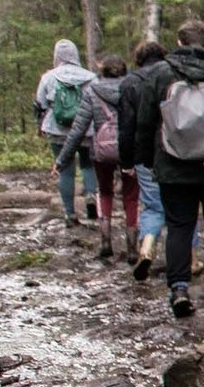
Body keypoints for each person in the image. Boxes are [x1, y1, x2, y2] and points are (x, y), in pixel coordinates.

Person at [126, 19, 204, 319]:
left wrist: (148, 160)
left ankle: (178, 287)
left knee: (179, 226)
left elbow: (145, 122)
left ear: (178, 42)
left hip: (172, 163)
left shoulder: (162, 74)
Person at [54, 52, 138, 261]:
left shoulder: (93, 91)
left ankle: (106, 241)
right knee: (131, 196)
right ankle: (132, 247)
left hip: (101, 150)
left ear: (102, 71)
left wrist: (61, 161)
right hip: (130, 149)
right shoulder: (134, 89)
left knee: (105, 192)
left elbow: (78, 130)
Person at [34, 40, 97, 225]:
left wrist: (39, 126)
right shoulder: (91, 77)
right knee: (88, 165)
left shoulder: (48, 77)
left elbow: (40, 104)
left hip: (57, 129)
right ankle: (92, 195)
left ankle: (70, 214)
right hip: (86, 129)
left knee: (66, 171)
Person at [122, 41, 169, 279]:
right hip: (174, 151)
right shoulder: (173, 75)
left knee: (152, 204)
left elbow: (127, 125)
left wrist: (127, 160)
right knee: (178, 208)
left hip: (144, 153)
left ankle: (147, 248)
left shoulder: (130, 82)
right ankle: (190, 259)